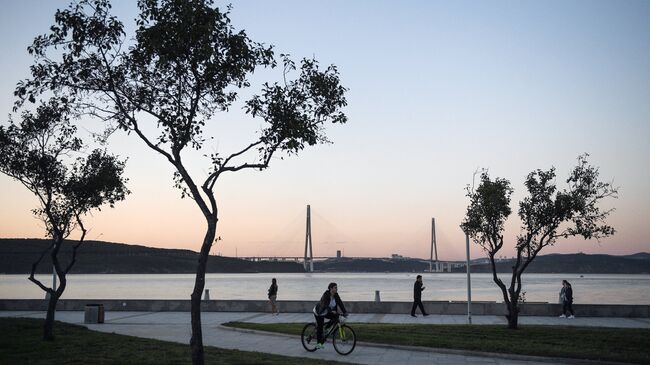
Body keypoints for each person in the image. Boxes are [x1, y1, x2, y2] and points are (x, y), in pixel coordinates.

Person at [313, 282, 347, 349]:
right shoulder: (326, 294)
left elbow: (340, 303)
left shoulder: (336, 295)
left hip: (326, 312)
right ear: (331, 288)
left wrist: (345, 312)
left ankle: (326, 329)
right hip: (319, 312)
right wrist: (331, 311)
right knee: (320, 326)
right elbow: (325, 304)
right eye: (335, 287)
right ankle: (318, 344)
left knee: (336, 317)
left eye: (337, 287)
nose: (337, 289)